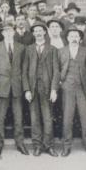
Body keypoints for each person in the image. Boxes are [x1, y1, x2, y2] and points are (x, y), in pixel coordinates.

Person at [58, 26, 86, 156]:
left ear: (80, 38)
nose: (74, 39)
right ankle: (66, 145)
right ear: (67, 38)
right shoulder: (61, 51)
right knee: (67, 117)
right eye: (71, 36)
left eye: (76, 36)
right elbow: (57, 68)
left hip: (83, 87)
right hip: (67, 87)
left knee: (85, 116)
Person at [23, 22, 60, 157]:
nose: (38, 33)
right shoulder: (29, 49)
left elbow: (56, 71)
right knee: (34, 118)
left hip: (47, 88)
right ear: (33, 34)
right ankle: (37, 146)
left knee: (48, 118)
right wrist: (26, 89)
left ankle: (48, 145)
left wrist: (54, 89)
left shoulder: (53, 49)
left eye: (40, 31)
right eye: (36, 31)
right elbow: (24, 71)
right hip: (32, 89)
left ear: (45, 32)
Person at [0, 22, 27, 155]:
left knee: (18, 116)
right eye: (5, 31)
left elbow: (23, 68)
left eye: (10, 31)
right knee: (0, 117)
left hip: (17, 85)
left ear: (14, 32)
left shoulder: (21, 47)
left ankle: (20, 143)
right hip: (2, 85)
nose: (8, 33)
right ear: (2, 33)